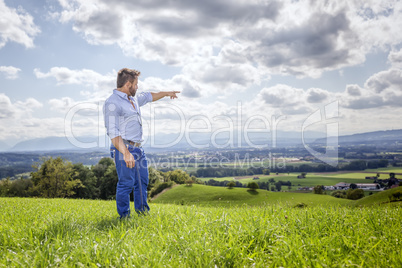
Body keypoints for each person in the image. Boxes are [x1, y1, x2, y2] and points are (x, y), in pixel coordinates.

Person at [103, 68, 180, 218]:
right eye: (136, 84)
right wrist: (126, 153)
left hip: (138, 148)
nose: (137, 87)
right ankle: (124, 217)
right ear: (128, 84)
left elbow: (150, 96)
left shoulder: (133, 99)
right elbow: (113, 132)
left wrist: (166, 93)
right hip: (123, 147)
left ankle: (143, 213)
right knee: (126, 183)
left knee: (142, 182)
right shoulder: (112, 103)